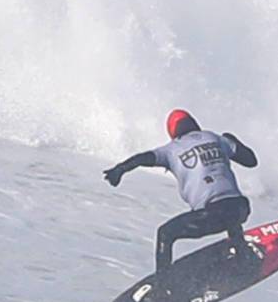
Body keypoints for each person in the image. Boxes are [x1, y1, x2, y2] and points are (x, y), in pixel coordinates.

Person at [104, 108, 261, 275]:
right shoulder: (216, 138)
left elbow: (141, 158)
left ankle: (163, 282)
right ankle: (241, 252)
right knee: (226, 203)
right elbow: (251, 161)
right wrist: (232, 140)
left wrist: (119, 170)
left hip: (212, 216)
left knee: (165, 233)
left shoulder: (171, 149)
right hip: (240, 209)